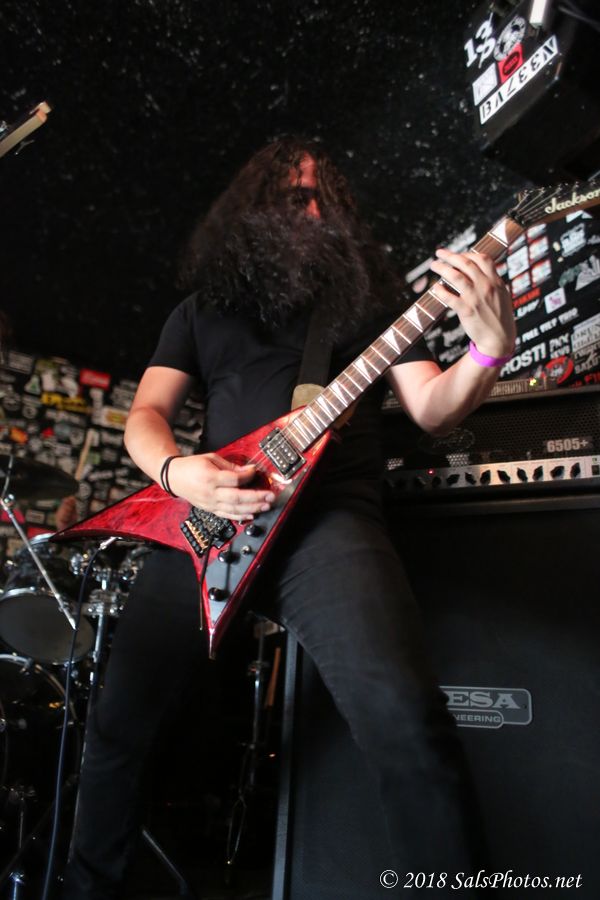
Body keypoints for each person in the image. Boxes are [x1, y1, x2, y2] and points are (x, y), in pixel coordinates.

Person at [61, 137, 516, 899]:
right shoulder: (200, 311)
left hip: (330, 523)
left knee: (405, 718)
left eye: (318, 199)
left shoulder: (368, 300)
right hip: (206, 524)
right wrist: (178, 472)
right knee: (118, 727)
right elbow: (146, 416)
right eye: (289, 197)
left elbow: (433, 408)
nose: (307, 211)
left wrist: (489, 350)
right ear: (249, 210)